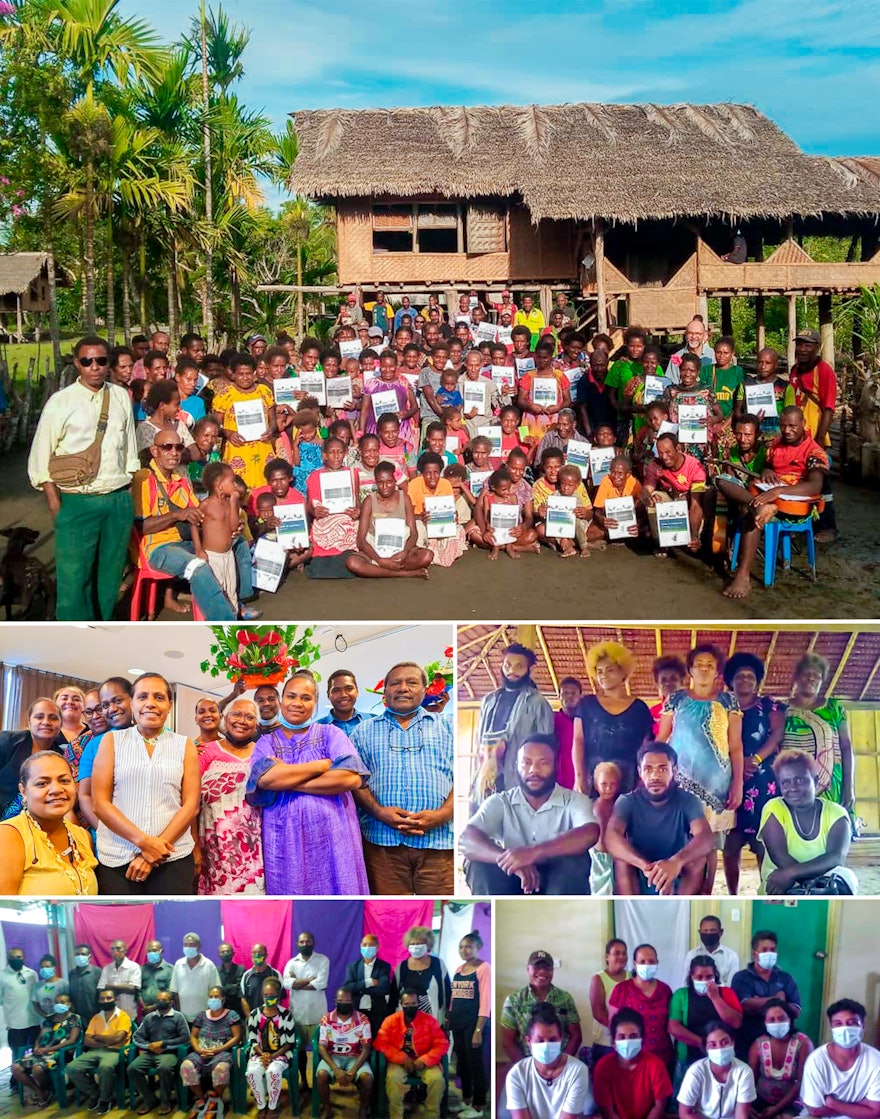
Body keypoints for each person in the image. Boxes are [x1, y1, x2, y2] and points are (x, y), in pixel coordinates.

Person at [27, 335, 138, 620]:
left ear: (108, 363)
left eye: (101, 361)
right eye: (87, 361)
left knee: (109, 578)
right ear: (77, 363)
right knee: (74, 581)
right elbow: (40, 459)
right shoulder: (60, 402)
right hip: (76, 503)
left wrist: (127, 497)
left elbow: (129, 450)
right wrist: (56, 506)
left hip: (116, 500)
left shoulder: (120, 397)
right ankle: (74, 636)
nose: (94, 367)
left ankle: (101, 629)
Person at [246, 670, 369, 895]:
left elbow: (350, 778)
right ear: (282, 700)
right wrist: (319, 766)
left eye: (306, 697)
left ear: (315, 702)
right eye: (292, 696)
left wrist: (286, 779)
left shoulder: (330, 733)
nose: (297, 703)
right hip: (284, 839)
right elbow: (265, 779)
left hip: (334, 837)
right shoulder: (266, 742)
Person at [133, 428, 258, 621]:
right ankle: (227, 624)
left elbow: (198, 516)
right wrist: (176, 515)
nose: (174, 452)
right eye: (167, 447)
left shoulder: (181, 480)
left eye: (179, 447)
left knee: (238, 544)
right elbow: (142, 527)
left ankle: (236, 602)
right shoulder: (144, 479)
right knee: (198, 567)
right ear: (154, 451)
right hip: (157, 548)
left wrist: (228, 528)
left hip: (184, 540)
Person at [350, 662, 454, 895]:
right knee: (389, 911)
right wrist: (378, 811)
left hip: (438, 842)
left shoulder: (449, 726)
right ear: (385, 691)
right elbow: (355, 781)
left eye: (412, 682)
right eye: (395, 683)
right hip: (382, 843)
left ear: (426, 690)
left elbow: (467, 778)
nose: (403, 688)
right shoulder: (362, 732)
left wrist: (444, 813)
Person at [92, 672, 199, 894]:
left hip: (173, 856)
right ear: (132, 703)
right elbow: (100, 803)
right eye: (142, 697)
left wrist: (154, 851)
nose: (150, 703)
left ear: (170, 705)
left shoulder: (185, 745)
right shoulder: (111, 741)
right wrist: (143, 843)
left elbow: (191, 806)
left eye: (159, 697)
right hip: (118, 857)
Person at [460, 734, 598, 895]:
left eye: (543, 763)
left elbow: (590, 833)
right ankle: (497, 917)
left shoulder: (574, 800)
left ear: (556, 766)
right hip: (512, 879)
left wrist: (533, 853)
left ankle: (560, 918)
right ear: (516, 766)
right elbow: (466, 840)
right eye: (526, 763)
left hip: (558, 882)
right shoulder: (501, 801)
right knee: (478, 864)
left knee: (576, 863)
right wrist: (510, 860)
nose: (534, 770)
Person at [657, 644, 744, 892]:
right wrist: (652, 772)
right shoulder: (676, 699)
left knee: (710, 843)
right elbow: (662, 738)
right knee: (679, 838)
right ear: (690, 670)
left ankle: (705, 892)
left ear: (717, 672)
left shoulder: (729, 701)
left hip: (717, 784)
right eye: (699, 665)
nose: (704, 669)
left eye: (710, 665)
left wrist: (737, 784)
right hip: (678, 782)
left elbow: (736, 746)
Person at [719, 406, 828, 600]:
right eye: (783, 426)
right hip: (767, 497)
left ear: (803, 424)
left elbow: (815, 486)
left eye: (793, 426)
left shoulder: (814, 452)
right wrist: (768, 470)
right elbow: (769, 464)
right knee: (722, 481)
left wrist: (779, 491)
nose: (787, 430)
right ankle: (758, 505)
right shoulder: (777, 444)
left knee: (752, 515)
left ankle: (743, 575)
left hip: (793, 505)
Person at [605, 741, 714, 895]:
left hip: (677, 870)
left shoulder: (687, 800)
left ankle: (682, 910)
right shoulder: (627, 801)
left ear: (674, 771)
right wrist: (645, 866)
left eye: (662, 769)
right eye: (648, 769)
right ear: (640, 772)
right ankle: (634, 912)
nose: (655, 776)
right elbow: (611, 837)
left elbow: (706, 836)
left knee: (698, 859)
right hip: (641, 871)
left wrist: (675, 863)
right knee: (622, 861)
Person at [722, 654, 785, 895]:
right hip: (732, 778)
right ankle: (732, 894)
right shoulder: (723, 706)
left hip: (763, 779)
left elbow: (777, 733)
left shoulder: (769, 704)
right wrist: (735, 763)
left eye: (750, 676)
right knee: (731, 845)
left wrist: (756, 759)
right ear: (731, 681)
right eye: (739, 676)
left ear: (757, 681)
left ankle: (765, 891)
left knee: (762, 843)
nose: (745, 680)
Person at [758, 751, 856, 895]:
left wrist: (790, 874)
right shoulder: (774, 808)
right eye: (785, 782)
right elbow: (779, 857)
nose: (792, 788)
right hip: (782, 882)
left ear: (816, 781)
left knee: (847, 877)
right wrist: (811, 884)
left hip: (795, 878)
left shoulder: (836, 813)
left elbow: (836, 857)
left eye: (800, 780)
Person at [0, 751, 97, 894]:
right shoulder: (9, 835)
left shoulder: (82, 837)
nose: (56, 789)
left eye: (64, 781)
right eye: (42, 783)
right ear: (24, 791)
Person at [472, 644, 554, 804]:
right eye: (507, 665)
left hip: (518, 780)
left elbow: (547, 747)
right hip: (485, 779)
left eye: (519, 666)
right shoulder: (489, 701)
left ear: (529, 670)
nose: (512, 671)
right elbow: (479, 740)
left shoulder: (538, 703)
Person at [198, 697, 265, 895]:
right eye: (236, 714)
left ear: (256, 725)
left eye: (249, 717)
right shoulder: (204, 752)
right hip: (212, 849)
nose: (242, 721)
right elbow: (189, 801)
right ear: (224, 719)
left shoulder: (263, 752)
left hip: (256, 850)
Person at [573, 642, 653, 796]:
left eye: (609, 670)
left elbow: (645, 748)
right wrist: (579, 777)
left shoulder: (639, 708)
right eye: (599, 671)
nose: (603, 675)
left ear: (623, 673)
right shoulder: (586, 704)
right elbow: (578, 741)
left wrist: (642, 780)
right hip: (592, 778)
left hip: (629, 779)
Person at [782, 653, 855, 814]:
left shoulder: (834, 708)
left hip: (831, 788)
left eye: (817, 676)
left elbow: (846, 747)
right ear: (797, 678)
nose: (811, 679)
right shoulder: (781, 709)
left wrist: (849, 787)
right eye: (807, 674)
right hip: (792, 788)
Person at [789, 329, 837, 540]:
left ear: (816, 348)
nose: (802, 349)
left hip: (814, 437)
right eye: (799, 344)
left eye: (807, 345)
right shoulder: (794, 370)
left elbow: (828, 407)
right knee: (798, 478)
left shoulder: (824, 371)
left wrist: (818, 441)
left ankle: (827, 527)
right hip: (796, 436)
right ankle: (802, 521)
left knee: (821, 482)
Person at [506, 1002, 591, 1119]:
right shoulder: (516, 1074)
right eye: (540, 1040)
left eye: (552, 1039)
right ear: (528, 1041)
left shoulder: (577, 1071)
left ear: (561, 1039)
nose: (546, 1045)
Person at [374, 988, 449, 1119]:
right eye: (407, 1004)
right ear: (401, 1004)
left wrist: (425, 1060)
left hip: (424, 1061)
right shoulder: (391, 1020)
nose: (410, 1007)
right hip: (399, 1062)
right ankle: (396, 1116)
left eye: (413, 1004)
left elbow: (442, 1044)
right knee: (393, 1079)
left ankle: (432, 1115)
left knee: (437, 1080)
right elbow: (380, 1043)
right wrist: (402, 1058)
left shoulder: (429, 1021)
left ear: (418, 1003)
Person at [801, 999, 880, 1119]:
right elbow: (815, 1110)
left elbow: (875, 1112)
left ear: (863, 1025)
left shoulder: (876, 1060)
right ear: (831, 1026)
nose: (845, 1029)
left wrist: (833, 1103)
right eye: (838, 1023)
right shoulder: (816, 1061)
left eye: (852, 1023)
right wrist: (859, 1107)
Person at [500, 950, 582, 1063]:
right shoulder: (514, 1000)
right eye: (537, 966)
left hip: (560, 1063)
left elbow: (576, 1036)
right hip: (526, 1062)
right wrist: (525, 1069)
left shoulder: (565, 998)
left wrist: (562, 1064)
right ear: (528, 969)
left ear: (552, 970)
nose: (542, 971)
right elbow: (508, 1042)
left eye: (547, 967)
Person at [669, 957, 743, 1080]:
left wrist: (715, 998)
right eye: (699, 977)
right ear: (692, 976)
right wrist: (701, 1042)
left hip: (722, 1057)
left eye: (709, 977)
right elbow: (673, 1027)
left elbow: (736, 1023)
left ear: (715, 976)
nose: (704, 981)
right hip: (687, 1058)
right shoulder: (681, 995)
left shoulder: (726, 993)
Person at [731, 933, 802, 1060]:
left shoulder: (785, 978)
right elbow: (745, 1006)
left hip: (783, 1040)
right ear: (755, 954)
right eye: (764, 950)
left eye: (772, 950)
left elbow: (796, 1011)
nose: (769, 953)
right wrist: (778, 1000)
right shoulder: (741, 977)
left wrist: (758, 1002)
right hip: (749, 1038)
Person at [593, 1008, 672, 1119]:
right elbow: (608, 1112)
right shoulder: (603, 1067)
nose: (627, 1042)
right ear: (613, 1041)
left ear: (642, 1039)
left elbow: (659, 1107)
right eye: (621, 1037)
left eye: (633, 1036)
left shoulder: (656, 1065)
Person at [67, 987, 133, 1114]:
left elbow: (118, 1039)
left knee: (105, 1066)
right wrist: (107, 1040)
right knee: (72, 1068)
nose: (105, 1001)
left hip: (116, 1052)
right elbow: (87, 1040)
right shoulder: (96, 1018)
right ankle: (95, 1092)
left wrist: (98, 1037)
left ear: (116, 1000)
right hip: (96, 1051)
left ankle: (105, 1099)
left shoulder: (123, 1017)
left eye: (109, 998)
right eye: (102, 998)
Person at [11, 991, 81, 1108]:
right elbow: (40, 1036)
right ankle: (41, 1092)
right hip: (41, 1052)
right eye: (56, 1002)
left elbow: (72, 1040)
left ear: (69, 1004)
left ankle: (45, 1091)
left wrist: (48, 1049)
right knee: (15, 1068)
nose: (59, 1004)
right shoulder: (50, 1019)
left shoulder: (74, 1018)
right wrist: (37, 1047)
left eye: (62, 1002)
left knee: (37, 1069)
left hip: (59, 1053)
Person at [128, 990, 190, 1116]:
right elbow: (136, 1037)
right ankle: (150, 1100)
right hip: (150, 1052)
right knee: (132, 1068)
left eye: (164, 1000)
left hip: (169, 1052)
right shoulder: (149, 1017)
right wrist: (148, 1046)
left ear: (171, 1002)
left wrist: (163, 1044)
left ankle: (166, 1101)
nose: (160, 1002)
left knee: (164, 1067)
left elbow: (185, 1038)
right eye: (158, 1000)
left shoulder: (178, 1016)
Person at [747, 999, 813, 1119]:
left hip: (793, 1101)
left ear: (790, 1020)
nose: (777, 1023)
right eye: (771, 1020)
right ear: (764, 1022)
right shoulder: (758, 1044)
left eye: (781, 1018)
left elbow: (802, 1082)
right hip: (761, 1098)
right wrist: (747, 1105)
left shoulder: (804, 1043)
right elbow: (750, 1079)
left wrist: (776, 1109)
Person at [0, 698, 64, 820]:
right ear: (29, 722)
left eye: (53, 718)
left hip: (38, 819)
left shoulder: (61, 757)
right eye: (39, 717)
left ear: (61, 724)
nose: (46, 722)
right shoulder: (6, 741)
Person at [448, 932, 490, 1119]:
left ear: (477, 947)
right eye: (461, 947)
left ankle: (479, 1105)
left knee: (475, 1065)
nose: (463, 950)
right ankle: (466, 1100)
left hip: (474, 1025)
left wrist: (478, 1030)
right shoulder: (458, 970)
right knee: (462, 1063)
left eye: (468, 946)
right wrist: (449, 1018)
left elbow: (486, 1003)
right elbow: (453, 998)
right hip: (458, 1024)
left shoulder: (483, 968)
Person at [608, 945, 673, 1066]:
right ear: (635, 963)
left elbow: (671, 1022)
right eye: (642, 961)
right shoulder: (621, 990)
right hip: (630, 1058)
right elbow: (613, 1024)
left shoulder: (665, 990)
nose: (647, 964)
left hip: (663, 1057)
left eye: (651, 961)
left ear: (657, 963)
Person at [677, 1021, 757, 1119]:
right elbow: (685, 1113)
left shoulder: (744, 1072)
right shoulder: (696, 1071)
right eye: (713, 1045)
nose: (720, 1048)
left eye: (725, 1042)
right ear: (706, 1048)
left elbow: (741, 1115)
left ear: (733, 1043)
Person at [316, 987, 374, 1119]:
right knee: (321, 1075)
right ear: (336, 1001)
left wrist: (353, 1070)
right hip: (333, 1057)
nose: (344, 1003)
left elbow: (366, 1047)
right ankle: (327, 1108)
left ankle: (363, 1109)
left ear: (352, 1001)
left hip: (355, 1057)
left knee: (367, 1078)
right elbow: (321, 1046)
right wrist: (335, 1069)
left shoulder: (363, 1019)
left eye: (348, 1001)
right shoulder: (327, 1019)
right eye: (341, 1000)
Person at [283, 931, 330, 1092]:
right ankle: (304, 1080)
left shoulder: (323, 960)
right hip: (297, 1015)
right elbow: (287, 984)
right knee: (300, 1052)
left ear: (313, 943)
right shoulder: (291, 963)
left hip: (318, 1015)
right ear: (297, 944)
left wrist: (297, 982)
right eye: (301, 942)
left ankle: (320, 1084)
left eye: (308, 941)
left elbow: (322, 983)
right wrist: (311, 980)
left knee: (320, 1051)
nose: (305, 944)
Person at [179, 986, 242, 1103]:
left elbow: (237, 1037)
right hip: (201, 1053)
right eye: (211, 997)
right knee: (186, 1067)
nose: (213, 999)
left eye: (216, 997)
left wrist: (217, 1050)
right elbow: (193, 1036)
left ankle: (214, 1099)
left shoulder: (231, 1015)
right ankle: (202, 1098)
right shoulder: (202, 1016)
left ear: (223, 999)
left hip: (222, 1053)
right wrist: (198, 1050)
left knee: (221, 1069)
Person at [244, 975, 295, 1119]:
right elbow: (253, 1039)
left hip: (281, 1054)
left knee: (273, 1072)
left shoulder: (286, 1015)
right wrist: (263, 1055)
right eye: (266, 995)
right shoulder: (255, 1014)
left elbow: (289, 1042)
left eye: (272, 995)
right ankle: (261, 1105)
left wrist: (272, 1056)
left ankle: (272, 1106)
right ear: (262, 995)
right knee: (252, 1072)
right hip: (259, 1054)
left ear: (278, 996)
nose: (268, 998)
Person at [392, 928, 450, 1024]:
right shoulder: (401, 967)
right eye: (413, 944)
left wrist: (447, 1013)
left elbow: (447, 990)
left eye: (419, 944)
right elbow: (394, 994)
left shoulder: (438, 964)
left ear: (428, 945)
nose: (415, 947)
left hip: (432, 1016)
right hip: (407, 1017)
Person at [343, 935, 392, 1041]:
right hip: (357, 1010)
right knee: (357, 1041)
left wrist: (359, 988)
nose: (367, 947)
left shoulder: (384, 966)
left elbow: (383, 989)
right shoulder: (353, 967)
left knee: (376, 1041)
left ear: (377, 946)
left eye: (371, 945)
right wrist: (367, 982)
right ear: (360, 946)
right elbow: (348, 988)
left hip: (377, 1011)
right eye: (365, 945)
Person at [589, 940, 629, 1067]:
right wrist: (618, 1031)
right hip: (605, 1043)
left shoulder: (632, 977)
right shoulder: (599, 979)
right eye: (616, 953)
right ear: (607, 957)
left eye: (624, 953)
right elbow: (598, 1012)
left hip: (628, 1042)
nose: (621, 957)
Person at [170, 934, 222, 1023]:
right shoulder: (179, 964)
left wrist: (211, 1013)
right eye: (185, 945)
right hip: (184, 1018)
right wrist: (179, 1014)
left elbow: (216, 991)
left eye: (191, 945)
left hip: (205, 1017)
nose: (188, 947)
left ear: (199, 946)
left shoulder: (209, 965)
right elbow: (175, 992)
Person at [1, 947, 40, 1061]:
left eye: (19, 957)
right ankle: (17, 1076)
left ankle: (33, 1075)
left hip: (33, 1020)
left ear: (24, 958)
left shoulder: (32, 974)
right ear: (8, 959)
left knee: (34, 1050)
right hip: (15, 1023)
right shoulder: (2, 976)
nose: (16, 959)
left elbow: (36, 995)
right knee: (17, 1053)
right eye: (12, 958)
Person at [683, 917, 740, 988]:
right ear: (700, 932)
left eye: (712, 930)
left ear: (721, 932)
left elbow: (732, 985)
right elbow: (686, 983)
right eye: (705, 931)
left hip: (722, 996)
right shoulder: (692, 955)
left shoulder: (731, 956)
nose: (708, 933)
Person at [98, 939, 142, 1019]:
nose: (115, 951)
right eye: (112, 949)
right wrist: (124, 987)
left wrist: (110, 986)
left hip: (129, 1014)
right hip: (110, 1015)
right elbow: (101, 989)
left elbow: (133, 989)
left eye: (118, 948)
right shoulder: (107, 969)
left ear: (125, 950)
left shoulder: (134, 967)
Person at [554, 677, 582, 790]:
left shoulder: (587, 722)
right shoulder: (552, 720)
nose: (569, 696)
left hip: (580, 777)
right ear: (559, 696)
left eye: (573, 693)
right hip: (557, 777)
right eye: (565, 693)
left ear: (580, 696)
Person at [666, 319, 716, 383]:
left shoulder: (713, 355)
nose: (694, 336)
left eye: (698, 333)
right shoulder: (676, 357)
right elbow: (670, 383)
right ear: (685, 335)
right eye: (690, 333)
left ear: (704, 335)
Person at [240, 944, 281, 1018]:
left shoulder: (275, 974)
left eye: (259, 952)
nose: (257, 955)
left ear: (266, 955)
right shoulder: (246, 976)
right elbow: (243, 999)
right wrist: (250, 1018)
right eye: (254, 953)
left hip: (273, 1018)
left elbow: (281, 997)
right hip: (253, 1019)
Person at [141, 941, 174, 1017]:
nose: (151, 953)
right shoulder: (143, 969)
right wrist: (145, 1007)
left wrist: (154, 1007)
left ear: (161, 951)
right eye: (149, 951)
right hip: (146, 1012)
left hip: (165, 1010)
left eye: (154, 950)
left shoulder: (170, 969)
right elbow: (138, 991)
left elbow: (171, 992)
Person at [70, 944, 102, 1024]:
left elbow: (101, 993)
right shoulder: (72, 973)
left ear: (89, 956)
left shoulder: (97, 972)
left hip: (95, 1016)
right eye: (77, 954)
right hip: (77, 1017)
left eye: (83, 954)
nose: (79, 956)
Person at [217, 944, 245, 1018]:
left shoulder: (240, 970)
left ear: (233, 953)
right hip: (221, 1010)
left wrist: (223, 989)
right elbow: (217, 991)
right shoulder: (216, 971)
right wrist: (232, 986)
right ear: (218, 954)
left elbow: (238, 990)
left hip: (237, 1010)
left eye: (227, 951)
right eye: (222, 952)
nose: (225, 954)